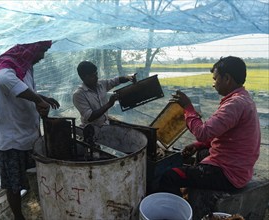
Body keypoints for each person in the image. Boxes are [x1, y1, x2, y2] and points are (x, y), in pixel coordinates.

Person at [157, 56, 260, 196]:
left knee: (170, 176)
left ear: (227, 78)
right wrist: (197, 145)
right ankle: (192, 190)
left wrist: (188, 108)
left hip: (229, 174)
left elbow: (203, 132)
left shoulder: (235, 104)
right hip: (239, 167)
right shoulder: (243, 98)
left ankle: (178, 211)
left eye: (215, 78)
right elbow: (222, 134)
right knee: (202, 153)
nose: (214, 84)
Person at [0, 40, 60, 220]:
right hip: (12, 139)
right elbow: (5, 79)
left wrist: (41, 97)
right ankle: (18, 217)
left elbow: (23, 90)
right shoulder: (7, 64)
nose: (43, 56)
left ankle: (46, 207)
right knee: (13, 185)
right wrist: (38, 100)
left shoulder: (26, 66)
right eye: (43, 51)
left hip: (28, 134)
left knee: (36, 178)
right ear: (33, 48)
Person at [73, 61, 135, 128]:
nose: (96, 77)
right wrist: (109, 104)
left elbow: (116, 81)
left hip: (105, 125)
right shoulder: (78, 95)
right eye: (92, 76)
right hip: (91, 130)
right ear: (83, 77)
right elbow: (90, 117)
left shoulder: (101, 84)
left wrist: (128, 78)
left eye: (96, 74)